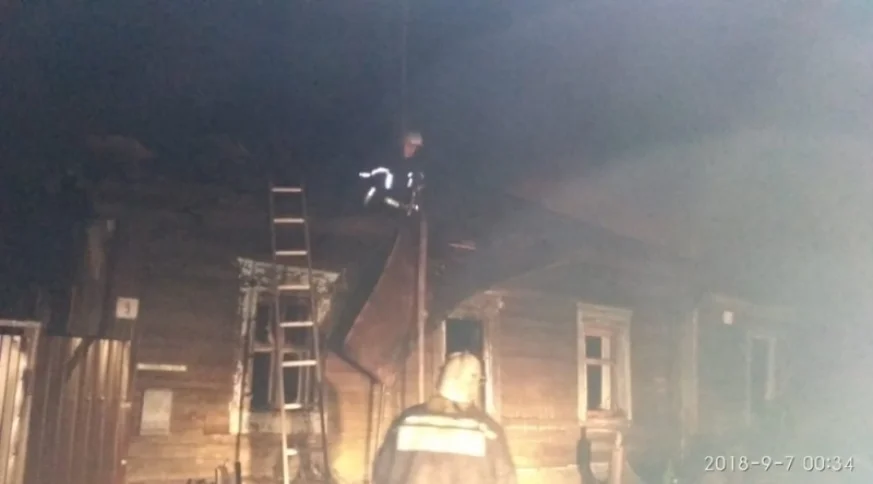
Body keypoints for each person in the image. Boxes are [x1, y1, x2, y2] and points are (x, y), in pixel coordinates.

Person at [372, 352, 517, 484]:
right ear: (474, 384)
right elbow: (506, 478)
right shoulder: (487, 430)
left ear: (441, 379)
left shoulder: (406, 421)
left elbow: (381, 473)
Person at [359, 131, 425, 215]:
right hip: (376, 208)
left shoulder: (416, 167)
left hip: (399, 212)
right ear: (403, 144)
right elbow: (367, 178)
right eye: (410, 145)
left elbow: (418, 189)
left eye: (415, 147)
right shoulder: (386, 159)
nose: (412, 149)